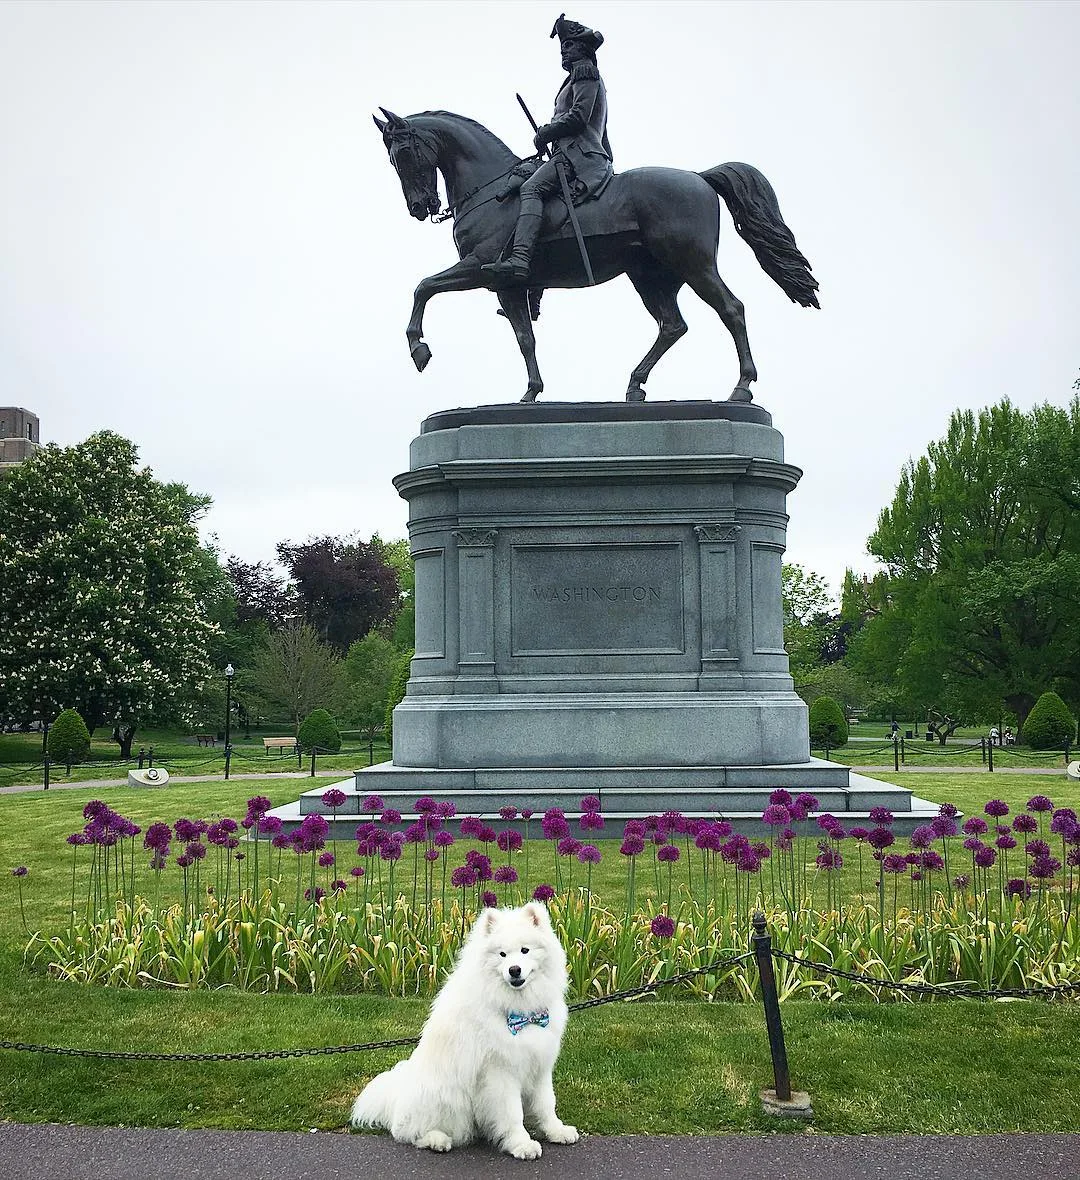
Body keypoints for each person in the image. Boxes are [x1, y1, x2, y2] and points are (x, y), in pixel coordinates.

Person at [482, 14, 613, 283]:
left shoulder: (585, 73)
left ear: (583, 48)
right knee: (525, 176)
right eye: (562, 47)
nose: (564, 52)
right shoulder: (579, 78)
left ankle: (519, 258)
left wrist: (546, 132)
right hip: (575, 154)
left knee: (532, 188)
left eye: (568, 46)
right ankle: (535, 289)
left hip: (579, 157)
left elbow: (579, 116)